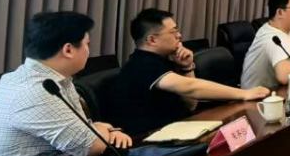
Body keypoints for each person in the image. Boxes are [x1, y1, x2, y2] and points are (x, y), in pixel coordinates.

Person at [0, 11, 132, 156]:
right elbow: (90, 146)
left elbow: (83, 129)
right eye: (86, 44)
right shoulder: (34, 91)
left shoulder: (50, 78)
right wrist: (104, 129)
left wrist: (101, 130)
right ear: (68, 50)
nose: (88, 51)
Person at [108, 8, 270, 139]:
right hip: (150, 140)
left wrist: (187, 68)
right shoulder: (142, 64)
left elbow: (190, 105)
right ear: (152, 40)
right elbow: (190, 87)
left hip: (177, 129)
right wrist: (244, 93)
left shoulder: (164, 60)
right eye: (173, 32)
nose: (179, 36)